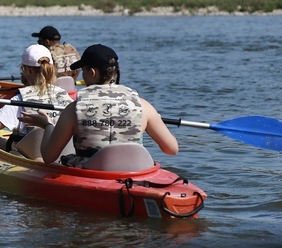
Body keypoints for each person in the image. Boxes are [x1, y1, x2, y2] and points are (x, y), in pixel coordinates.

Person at [19, 44, 178, 166]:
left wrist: (47, 126)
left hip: (92, 173)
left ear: (92, 72)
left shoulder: (75, 108)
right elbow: (171, 149)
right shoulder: (143, 105)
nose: (81, 76)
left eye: (83, 71)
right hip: (134, 173)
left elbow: (48, 157)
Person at [0, 44, 73, 156]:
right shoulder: (64, 94)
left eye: (23, 69)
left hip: (33, 154)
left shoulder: (20, 98)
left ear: (28, 70)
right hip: (63, 152)